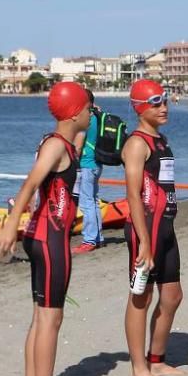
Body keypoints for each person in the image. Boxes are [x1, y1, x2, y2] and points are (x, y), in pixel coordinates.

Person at [0, 81, 90, 376]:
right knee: (51, 318)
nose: (91, 113)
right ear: (75, 113)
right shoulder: (55, 146)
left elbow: (80, 136)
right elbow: (30, 183)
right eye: (87, 108)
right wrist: (9, 225)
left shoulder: (65, 142)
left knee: (40, 318)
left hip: (47, 236)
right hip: (49, 238)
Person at [121, 79, 185, 376]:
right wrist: (144, 240)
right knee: (141, 297)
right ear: (140, 108)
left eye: (165, 101)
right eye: (156, 103)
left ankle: (156, 360)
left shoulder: (161, 139)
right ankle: (139, 369)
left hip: (166, 228)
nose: (164, 107)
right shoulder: (136, 144)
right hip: (144, 230)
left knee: (172, 295)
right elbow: (133, 194)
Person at [72, 90, 104, 254]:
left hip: (87, 164)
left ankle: (89, 240)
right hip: (97, 164)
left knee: (86, 203)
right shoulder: (97, 116)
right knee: (94, 200)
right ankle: (97, 237)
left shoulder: (85, 120)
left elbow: (77, 147)